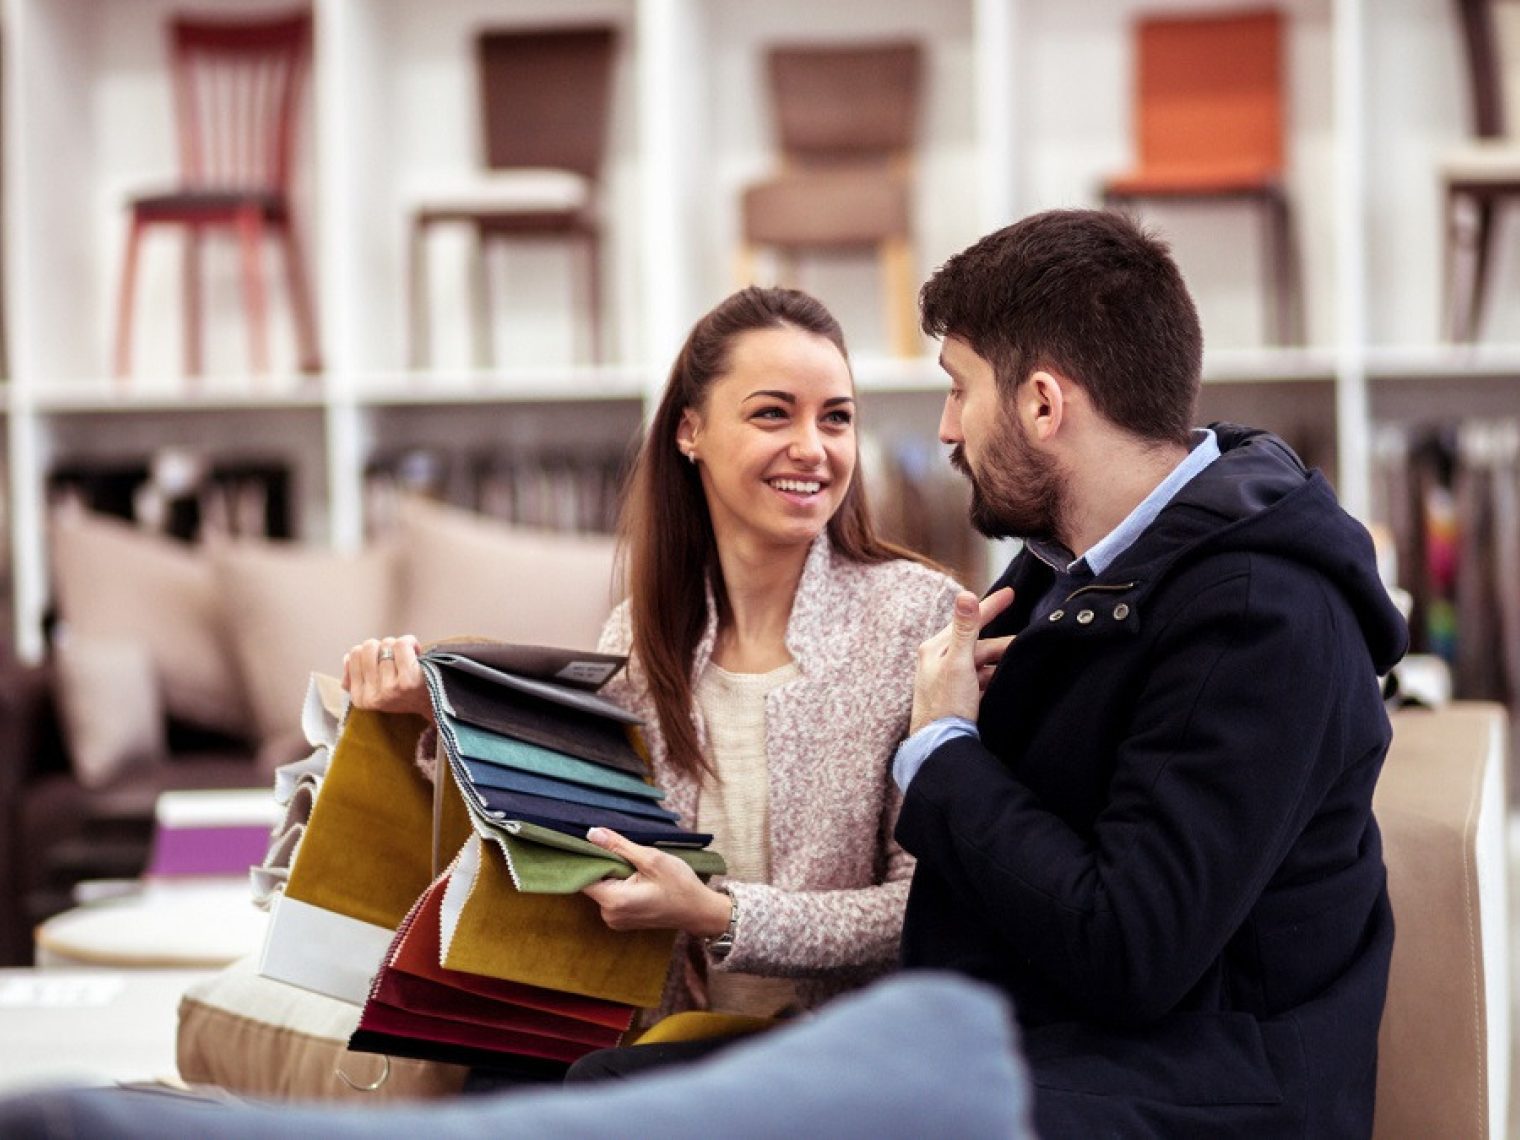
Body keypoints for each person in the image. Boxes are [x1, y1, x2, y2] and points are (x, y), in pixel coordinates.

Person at [344, 286, 961, 1061]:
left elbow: (929, 906)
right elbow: (565, 842)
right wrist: (434, 722)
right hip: (664, 1036)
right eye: (774, 413)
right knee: (497, 1079)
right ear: (690, 432)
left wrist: (717, 913)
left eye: (835, 417)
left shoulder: (917, 617)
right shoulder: (642, 632)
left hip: (843, 1049)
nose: (814, 446)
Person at [897, 209, 1408, 1138]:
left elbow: (1130, 947)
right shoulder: (1081, 565)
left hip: (1207, 1090)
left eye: (957, 390)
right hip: (1054, 1051)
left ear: (1043, 404)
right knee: (614, 1085)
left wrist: (940, 750)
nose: (944, 430)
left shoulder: (1260, 613)